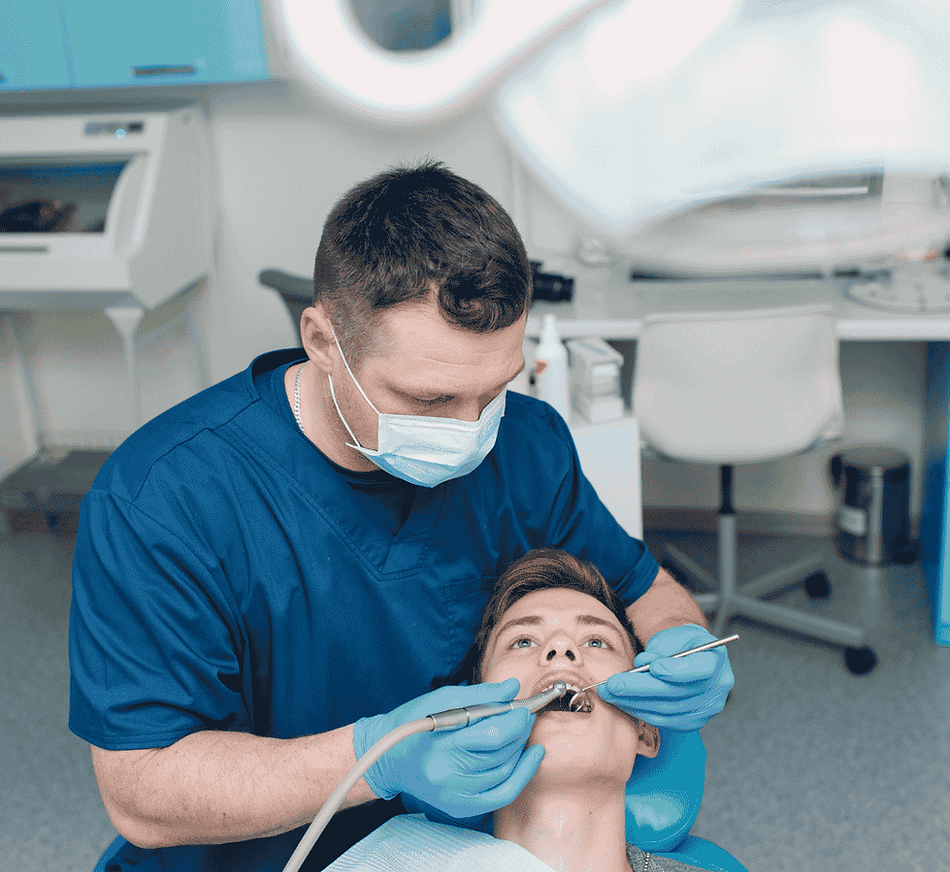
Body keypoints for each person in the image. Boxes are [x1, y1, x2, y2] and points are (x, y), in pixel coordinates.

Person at [68, 160, 734, 872]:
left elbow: (645, 591)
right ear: (324, 342)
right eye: (430, 401)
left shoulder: (529, 446)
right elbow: (141, 791)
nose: (474, 428)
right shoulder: (166, 500)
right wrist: (373, 759)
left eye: (495, 391)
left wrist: (683, 642)